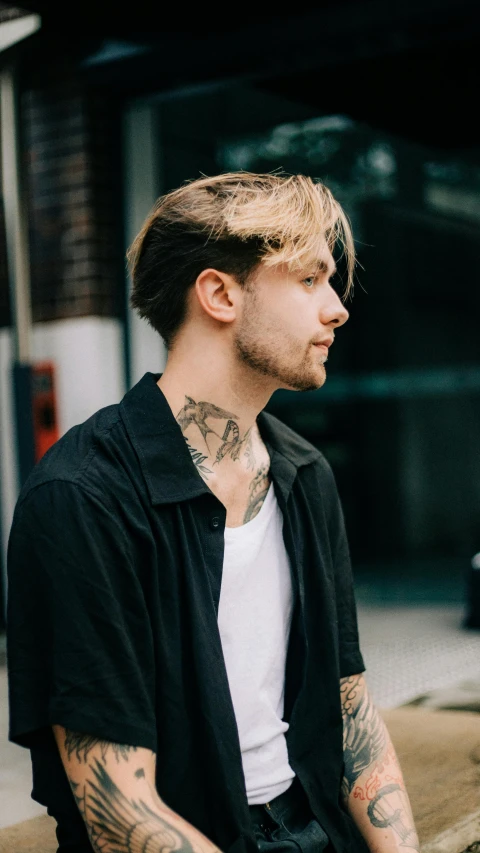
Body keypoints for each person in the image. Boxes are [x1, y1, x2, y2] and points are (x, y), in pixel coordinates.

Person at [7, 172, 419, 853]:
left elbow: (351, 712)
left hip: (314, 823)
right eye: (310, 279)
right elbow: (121, 811)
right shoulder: (84, 498)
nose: (338, 307)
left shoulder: (304, 474)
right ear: (221, 294)